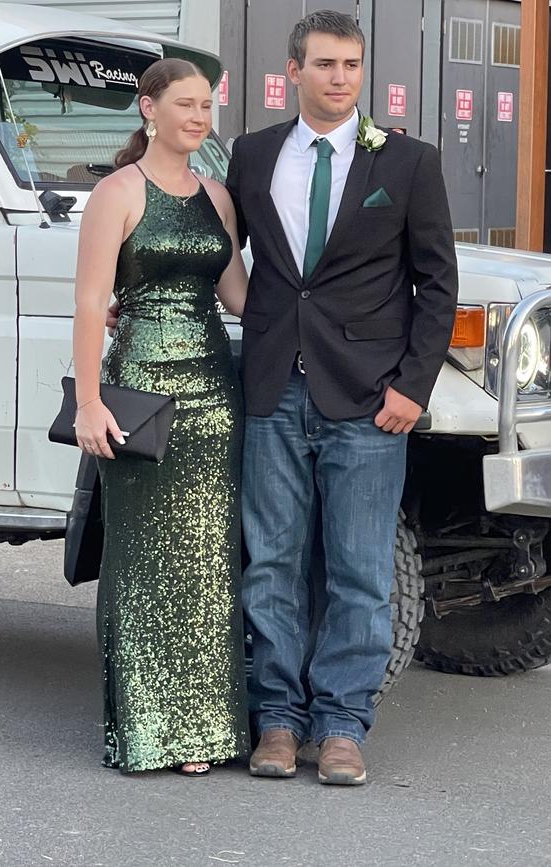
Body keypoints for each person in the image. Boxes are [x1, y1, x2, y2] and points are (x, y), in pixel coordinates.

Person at [225, 10, 458, 785]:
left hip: (368, 401)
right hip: (271, 392)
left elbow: (437, 285)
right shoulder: (254, 157)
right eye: (325, 64)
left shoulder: (408, 162)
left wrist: (413, 389)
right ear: (292, 70)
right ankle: (280, 723)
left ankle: (342, 725)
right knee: (271, 566)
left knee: (360, 570)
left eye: (352, 65)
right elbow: (226, 257)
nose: (340, 78)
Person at [73, 57, 250, 776]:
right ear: (148, 108)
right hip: (139, 396)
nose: (200, 116)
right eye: (185, 103)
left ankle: (203, 732)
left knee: (208, 562)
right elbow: (90, 305)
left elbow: (240, 298)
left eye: (207, 105)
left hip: (213, 395)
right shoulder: (116, 193)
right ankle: (147, 728)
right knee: (142, 563)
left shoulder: (218, 195)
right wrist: (88, 401)